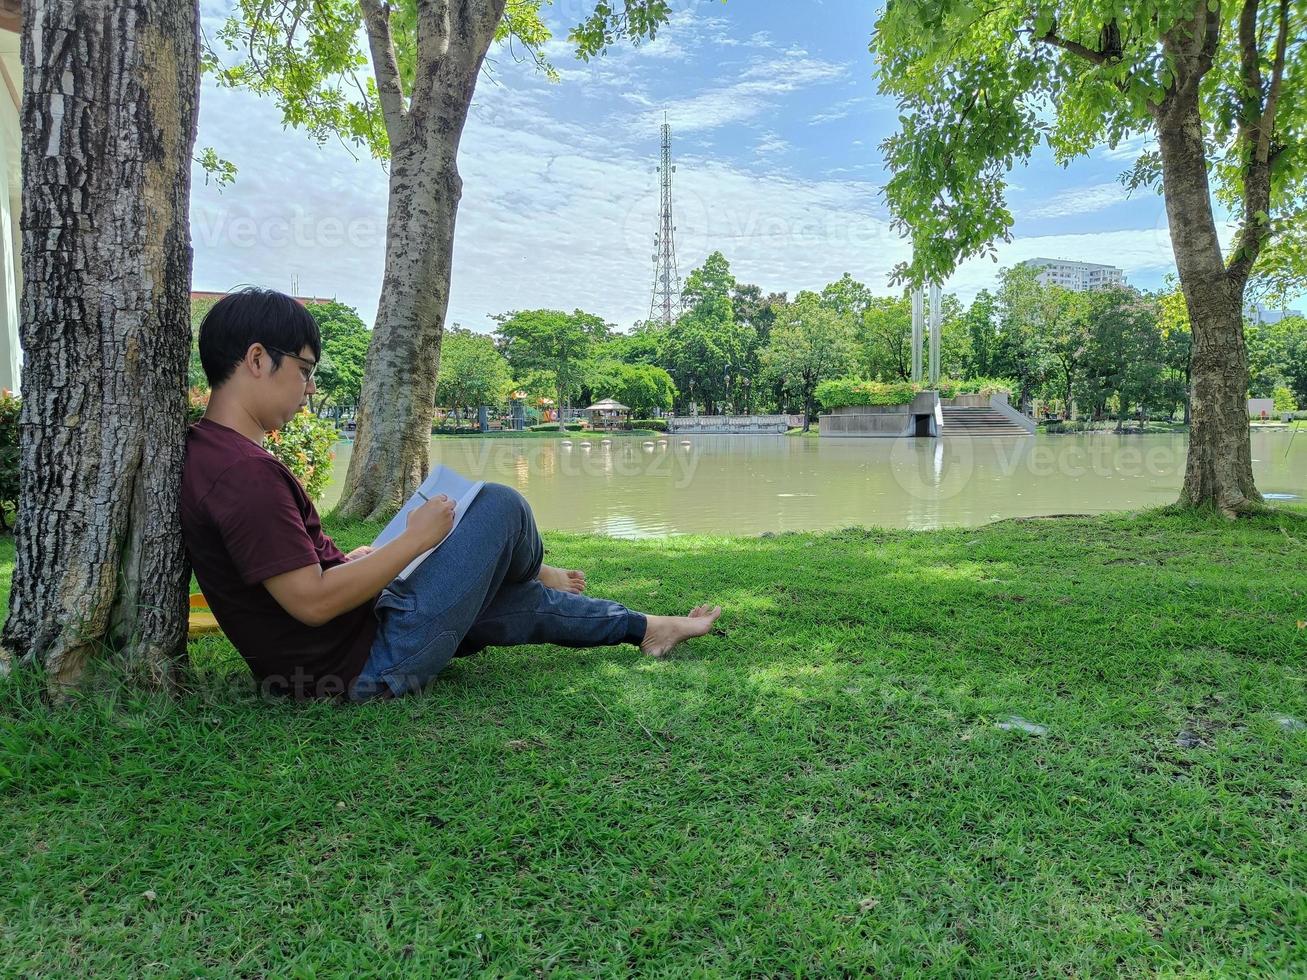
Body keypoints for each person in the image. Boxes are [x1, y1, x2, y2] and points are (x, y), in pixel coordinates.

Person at [181, 287, 721, 700]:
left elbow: (298, 581)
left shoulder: (214, 454)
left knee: (506, 603)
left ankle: (646, 629)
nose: (310, 389)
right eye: (304, 371)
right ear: (257, 360)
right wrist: (410, 544)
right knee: (498, 505)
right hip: (366, 665)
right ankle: (531, 565)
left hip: (356, 643)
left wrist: (355, 560)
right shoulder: (243, 474)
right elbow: (313, 603)